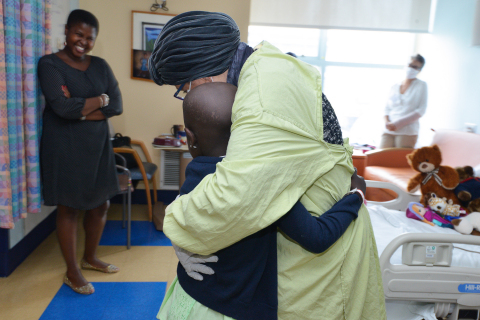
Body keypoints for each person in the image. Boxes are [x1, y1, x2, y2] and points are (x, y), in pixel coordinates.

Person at [149, 11, 386, 319]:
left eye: (184, 86)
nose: (188, 95)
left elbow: (236, 196)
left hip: (320, 258)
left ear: (204, 74)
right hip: (303, 240)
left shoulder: (263, 91)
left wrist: (177, 226)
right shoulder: (261, 71)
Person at [158, 82, 366, 320]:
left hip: (187, 296)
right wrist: (354, 196)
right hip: (233, 311)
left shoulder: (195, 172)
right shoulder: (264, 183)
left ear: (189, 138)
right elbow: (316, 238)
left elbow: (180, 216)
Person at [37, 9, 123, 295]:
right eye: (78, 34)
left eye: (89, 37)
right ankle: (72, 271)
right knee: (69, 207)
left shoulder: (100, 65)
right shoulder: (49, 65)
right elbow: (61, 108)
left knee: (101, 204)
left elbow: (116, 106)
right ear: (66, 31)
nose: (83, 41)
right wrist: (99, 99)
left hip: (98, 146)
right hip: (64, 146)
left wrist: (81, 109)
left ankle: (90, 258)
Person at [380, 54, 428, 148]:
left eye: (414, 67)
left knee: (399, 160)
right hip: (388, 130)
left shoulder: (421, 85)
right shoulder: (395, 86)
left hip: (407, 131)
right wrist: (387, 122)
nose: (410, 68)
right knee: (378, 158)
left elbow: (421, 110)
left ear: (419, 70)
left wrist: (397, 124)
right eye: (409, 65)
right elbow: (386, 108)